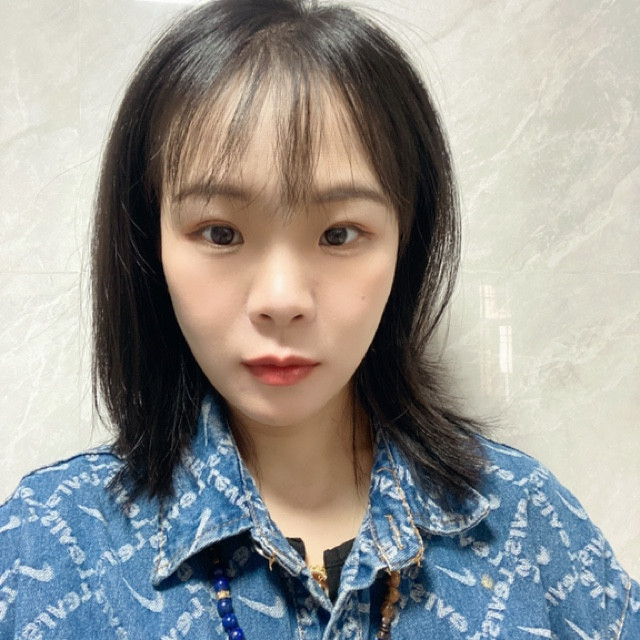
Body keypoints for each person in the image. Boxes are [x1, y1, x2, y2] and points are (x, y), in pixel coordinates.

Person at [0, 0, 637, 637]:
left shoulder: (526, 522)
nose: (282, 299)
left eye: (339, 234)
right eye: (220, 232)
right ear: (150, 244)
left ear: (405, 243)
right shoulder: (49, 543)